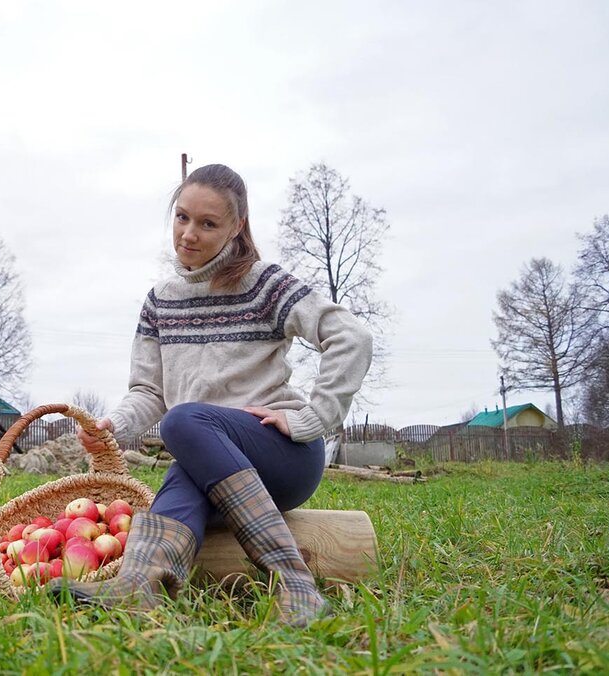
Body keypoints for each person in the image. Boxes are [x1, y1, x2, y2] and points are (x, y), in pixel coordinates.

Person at [48, 164, 373, 627]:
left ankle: (296, 584)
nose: (188, 234)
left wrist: (311, 419)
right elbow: (148, 392)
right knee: (180, 471)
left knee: (183, 423)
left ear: (236, 226)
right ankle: (139, 587)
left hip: (283, 455)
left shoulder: (264, 284)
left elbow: (351, 337)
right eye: (182, 218)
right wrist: (115, 427)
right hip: (211, 461)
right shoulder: (161, 300)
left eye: (207, 223)